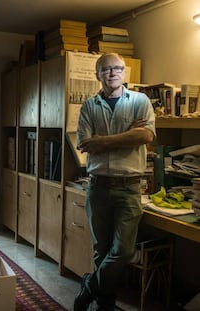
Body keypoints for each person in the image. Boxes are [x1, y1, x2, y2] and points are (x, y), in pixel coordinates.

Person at [74, 53, 156, 311]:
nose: (113, 73)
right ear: (97, 74)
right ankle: (104, 306)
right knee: (101, 250)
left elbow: (146, 136)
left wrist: (104, 141)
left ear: (125, 72)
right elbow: (85, 143)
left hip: (129, 188)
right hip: (97, 187)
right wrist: (127, 135)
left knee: (123, 251)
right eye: (106, 69)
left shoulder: (140, 101)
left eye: (118, 68)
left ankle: (89, 286)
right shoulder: (89, 106)